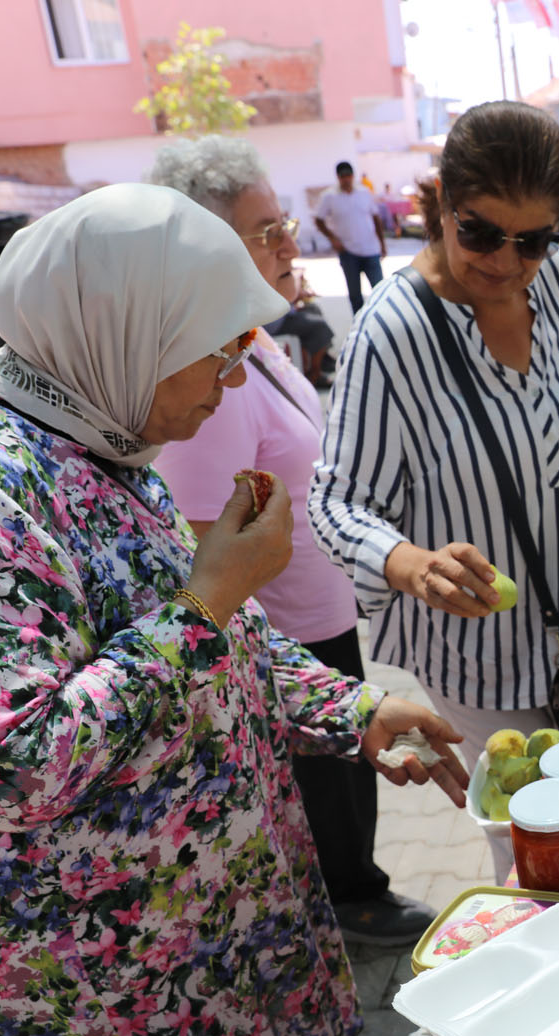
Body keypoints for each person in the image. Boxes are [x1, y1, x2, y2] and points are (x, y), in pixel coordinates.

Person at [0, 184, 470, 1036]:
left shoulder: (100, 437)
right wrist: (209, 599)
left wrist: (349, 709)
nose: (229, 385)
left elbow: (209, 648)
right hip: (84, 995)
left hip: (203, 950)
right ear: (127, 336)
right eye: (214, 357)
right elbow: (13, 767)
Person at [309, 102, 559, 880]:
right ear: (439, 201)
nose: (506, 261)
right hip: (484, 662)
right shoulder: (392, 331)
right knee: (543, 857)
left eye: (534, 239)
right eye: (479, 232)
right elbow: (335, 501)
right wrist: (409, 563)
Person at [147, 136, 429, 948]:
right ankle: (348, 903)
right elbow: (205, 538)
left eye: (283, 224)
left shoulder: (255, 340)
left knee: (348, 773)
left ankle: (354, 890)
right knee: (326, 788)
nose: (288, 242)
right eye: (263, 231)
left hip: (319, 607)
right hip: (284, 630)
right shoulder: (208, 379)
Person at [315, 160, 387, 314]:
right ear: (338, 177)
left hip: (370, 249)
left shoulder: (364, 192)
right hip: (348, 251)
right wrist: (332, 238)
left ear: (353, 176)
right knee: (355, 296)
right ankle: (360, 327)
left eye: (349, 176)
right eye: (343, 176)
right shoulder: (329, 196)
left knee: (380, 291)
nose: (346, 179)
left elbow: (376, 218)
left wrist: (382, 244)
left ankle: (382, 321)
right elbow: (318, 219)